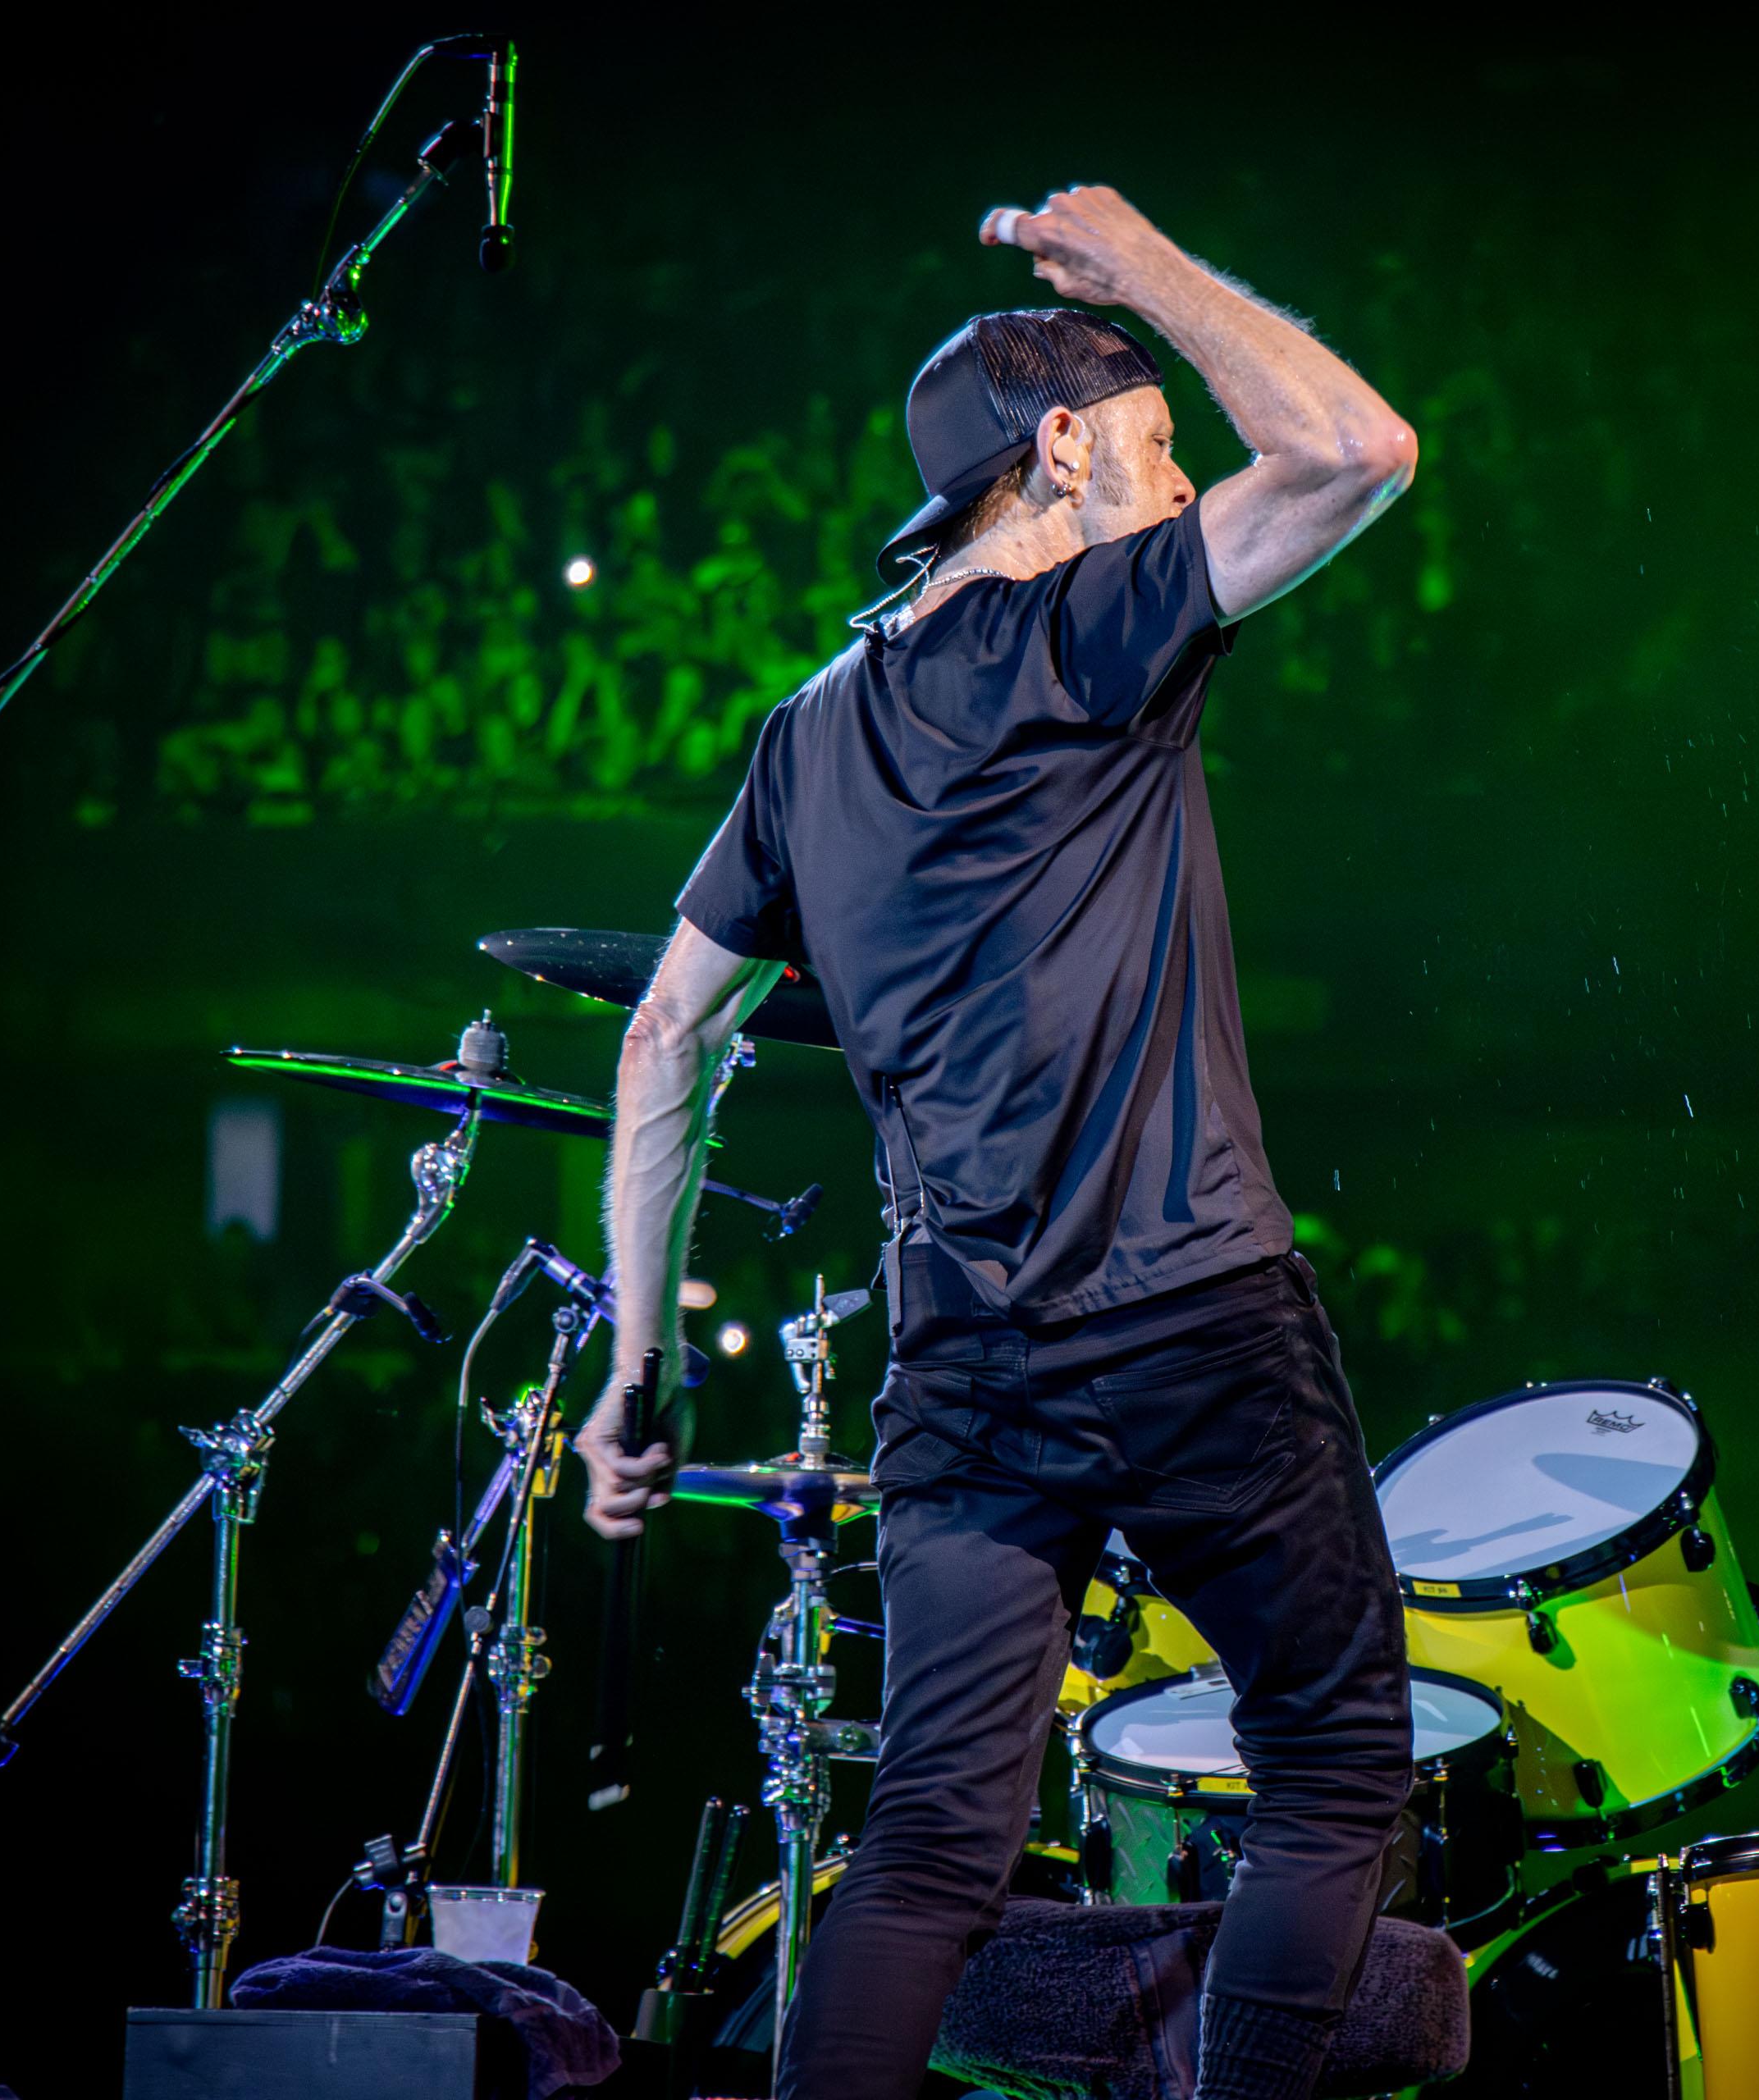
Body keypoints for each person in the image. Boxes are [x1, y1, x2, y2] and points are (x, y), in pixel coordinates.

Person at [575, 185, 1422, 2100]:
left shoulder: (804, 733)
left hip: (967, 1362)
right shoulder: (1097, 625)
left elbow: (664, 1035)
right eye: (1157, 437)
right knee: (1336, 1764)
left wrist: (639, 1365)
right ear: (1059, 447)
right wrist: (1149, 275)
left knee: (930, 1843)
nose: (1183, 472)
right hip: (1197, 1322)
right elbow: (1361, 449)